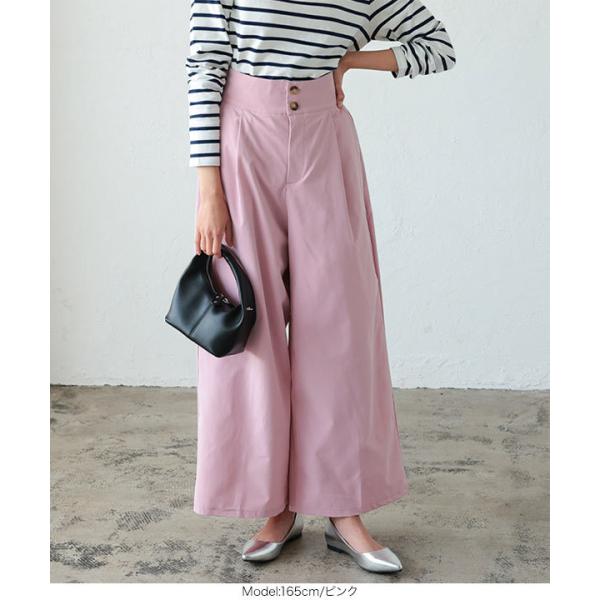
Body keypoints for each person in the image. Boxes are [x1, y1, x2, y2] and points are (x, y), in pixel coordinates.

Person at [186, 0, 456, 573]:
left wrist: (352, 60)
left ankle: (342, 507)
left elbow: (437, 47)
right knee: (252, 329)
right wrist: (208, 189)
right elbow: (205, 65)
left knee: (338, 330)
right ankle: (275, 507)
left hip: (325, 143)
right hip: (243, 142)